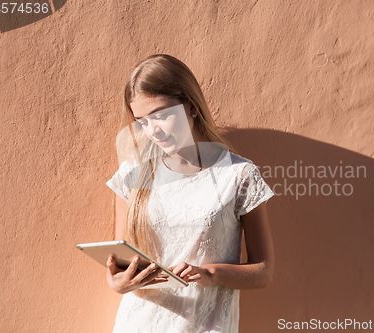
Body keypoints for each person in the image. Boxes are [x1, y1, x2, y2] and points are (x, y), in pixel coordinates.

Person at [105, 54, 275, 332]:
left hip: (206, 326)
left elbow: (263, 271)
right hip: (138, 324)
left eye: (160, 115)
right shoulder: (131, 176)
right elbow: (120, 266)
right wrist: (117, 282)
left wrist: (210, 273)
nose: (153, 131)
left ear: (192, 106)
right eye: (142, 121)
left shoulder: (238, 175)